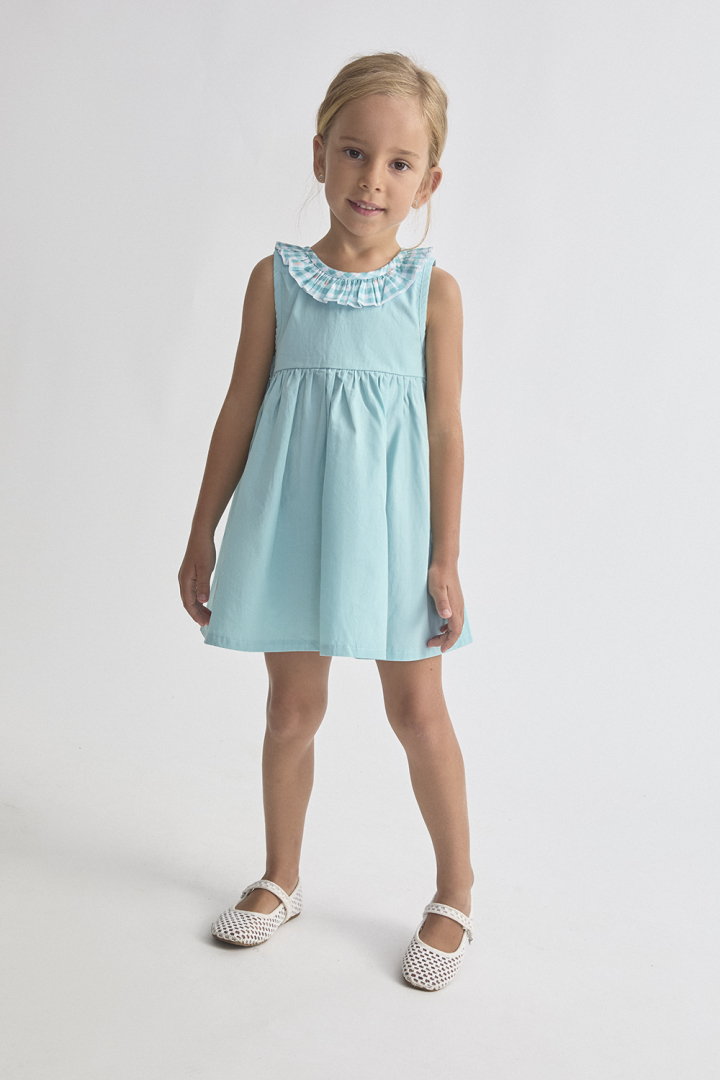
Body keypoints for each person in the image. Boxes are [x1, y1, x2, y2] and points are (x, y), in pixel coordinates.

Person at [178, 51, 475, 991]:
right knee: (291, 708)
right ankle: (281, 875)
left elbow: (445, 431)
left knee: (416, 711)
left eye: (398, 164)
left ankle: (456, 891)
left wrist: (445, 557)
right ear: (319, 156)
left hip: (391, 535)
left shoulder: (432, 293)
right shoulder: (276, 280)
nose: (371, 179)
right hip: (292, 525)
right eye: (353, 153)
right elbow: (239, 405)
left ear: (427, 183)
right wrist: (202, 529)